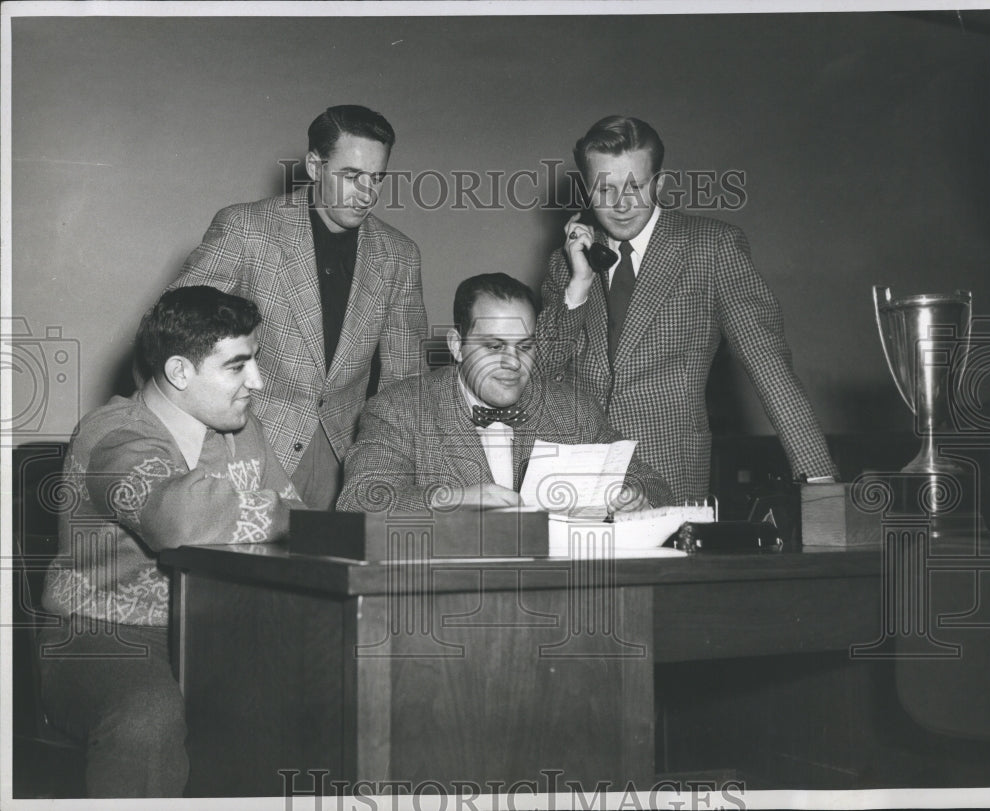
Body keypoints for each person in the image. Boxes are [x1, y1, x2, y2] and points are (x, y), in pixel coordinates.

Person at [38, 286, 302, 797]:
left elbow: (304, 522)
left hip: (211, 630)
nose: (259, 381)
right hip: (101, 635)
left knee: (307, 697)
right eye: (237, 366)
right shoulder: (112, 435)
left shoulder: (243, 429)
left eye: (257, 361)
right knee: (149, 714)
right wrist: (282, 517)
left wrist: (283, 519)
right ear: (180, 372)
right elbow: (178, 520)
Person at [536, 115, 837, 501]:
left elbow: (769, 365)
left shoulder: (711, 248)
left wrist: (819, 479)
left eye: (636, 186)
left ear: (659, 183)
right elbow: (540, 374)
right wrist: (578, 286)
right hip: (576, 476)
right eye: (605, 189)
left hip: (669, 472)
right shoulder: (566, 263)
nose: (622, 205)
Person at [169, 104, 428, 509]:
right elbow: (170, 333)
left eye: (377, 178)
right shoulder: (247, 229)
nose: (367, 193)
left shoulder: (399, 255)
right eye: (351, 175)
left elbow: (406, 380)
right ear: (314, 165)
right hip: (243, 445)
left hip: (346, 460)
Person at [338, 273, 672, 513]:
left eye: (524, 347)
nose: (512, 363)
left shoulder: (572, 408)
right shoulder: (399, 409)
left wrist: (634, 496)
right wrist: (460, 499)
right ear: (457, 346)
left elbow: (653, 484)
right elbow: (360, 500)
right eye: (495, 346)